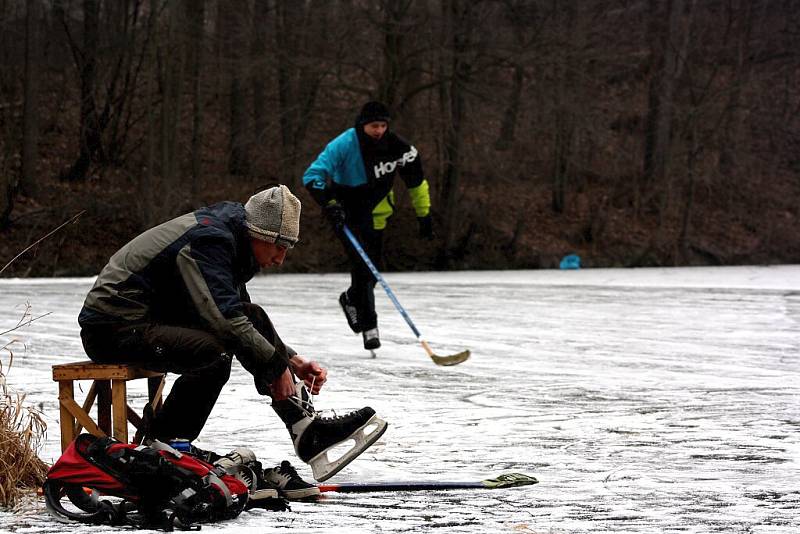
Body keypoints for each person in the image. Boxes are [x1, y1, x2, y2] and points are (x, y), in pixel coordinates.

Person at [77, 185, 388, 499]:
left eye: (287, 248)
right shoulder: (210, 240)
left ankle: (304, 428)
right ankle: (165, 446)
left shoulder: (231, 238)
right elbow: (225, 320)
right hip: (113, 326)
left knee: (250, 316)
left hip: (150, 317)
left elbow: (241, 315)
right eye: (278, 247)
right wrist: (276, 365)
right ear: (257, 233)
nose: (281, 259)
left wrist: (292, 361)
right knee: (215, 354)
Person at [302, 101, 433, 351]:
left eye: (383, 125)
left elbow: (416, 182)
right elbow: (312, 175)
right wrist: (329, 203)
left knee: (372, 271)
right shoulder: (344, 144)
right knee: (363, 270)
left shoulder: (397, 147)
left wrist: (424, 216)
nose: (379, 130)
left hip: (377, 216)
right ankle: (370, 328)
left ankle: (350, 298)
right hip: (347, 216)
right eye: (374, 125)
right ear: (363, 125)